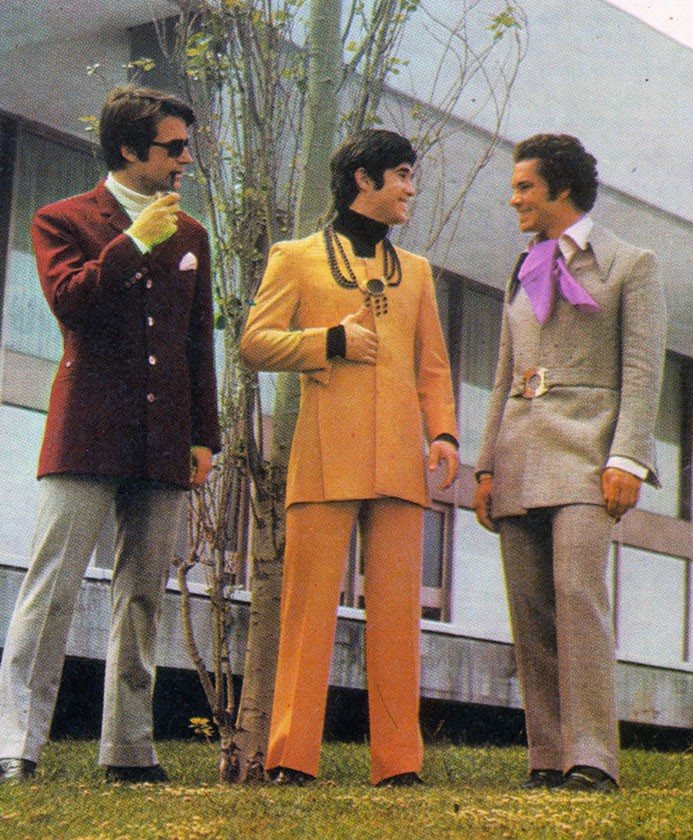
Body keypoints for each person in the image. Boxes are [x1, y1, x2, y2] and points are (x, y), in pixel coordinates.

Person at [0, 86, 220, 784]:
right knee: (52, 588)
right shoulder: (60, 219)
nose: (186, 159)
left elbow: (197, 343)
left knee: (143, 596)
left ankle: (128, 750)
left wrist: (203, 436)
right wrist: (133, 243)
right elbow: (70, 302)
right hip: (87, 430)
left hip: (165, 436)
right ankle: (16, 745)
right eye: (173, 147)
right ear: (128, 149)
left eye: (186, 146)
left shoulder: (192, 236)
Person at [240, 129, 459, 787]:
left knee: (397, 619)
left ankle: (398, 765)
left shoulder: (416, 272)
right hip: (325, 455)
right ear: (364, 179)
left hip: (399, 462)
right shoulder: (296, 257)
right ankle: (290, 758)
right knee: (308, 611)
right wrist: (329, 342)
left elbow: (433, 365)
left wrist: (444, 434)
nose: (411, 189)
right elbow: (255, 342)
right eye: (402, 175)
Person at [474, 134, 666, 793]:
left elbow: (643, 373)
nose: (514, 199)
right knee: (529, 611)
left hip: (589, 457)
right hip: (519, 454)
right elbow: (503, 377)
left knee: (578, 599)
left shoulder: (630, 265)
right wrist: (485, 467)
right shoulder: (523, 265)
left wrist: (628, 460)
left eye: (524, 187)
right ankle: (548, 756)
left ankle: (592, 759)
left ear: (561, 189)